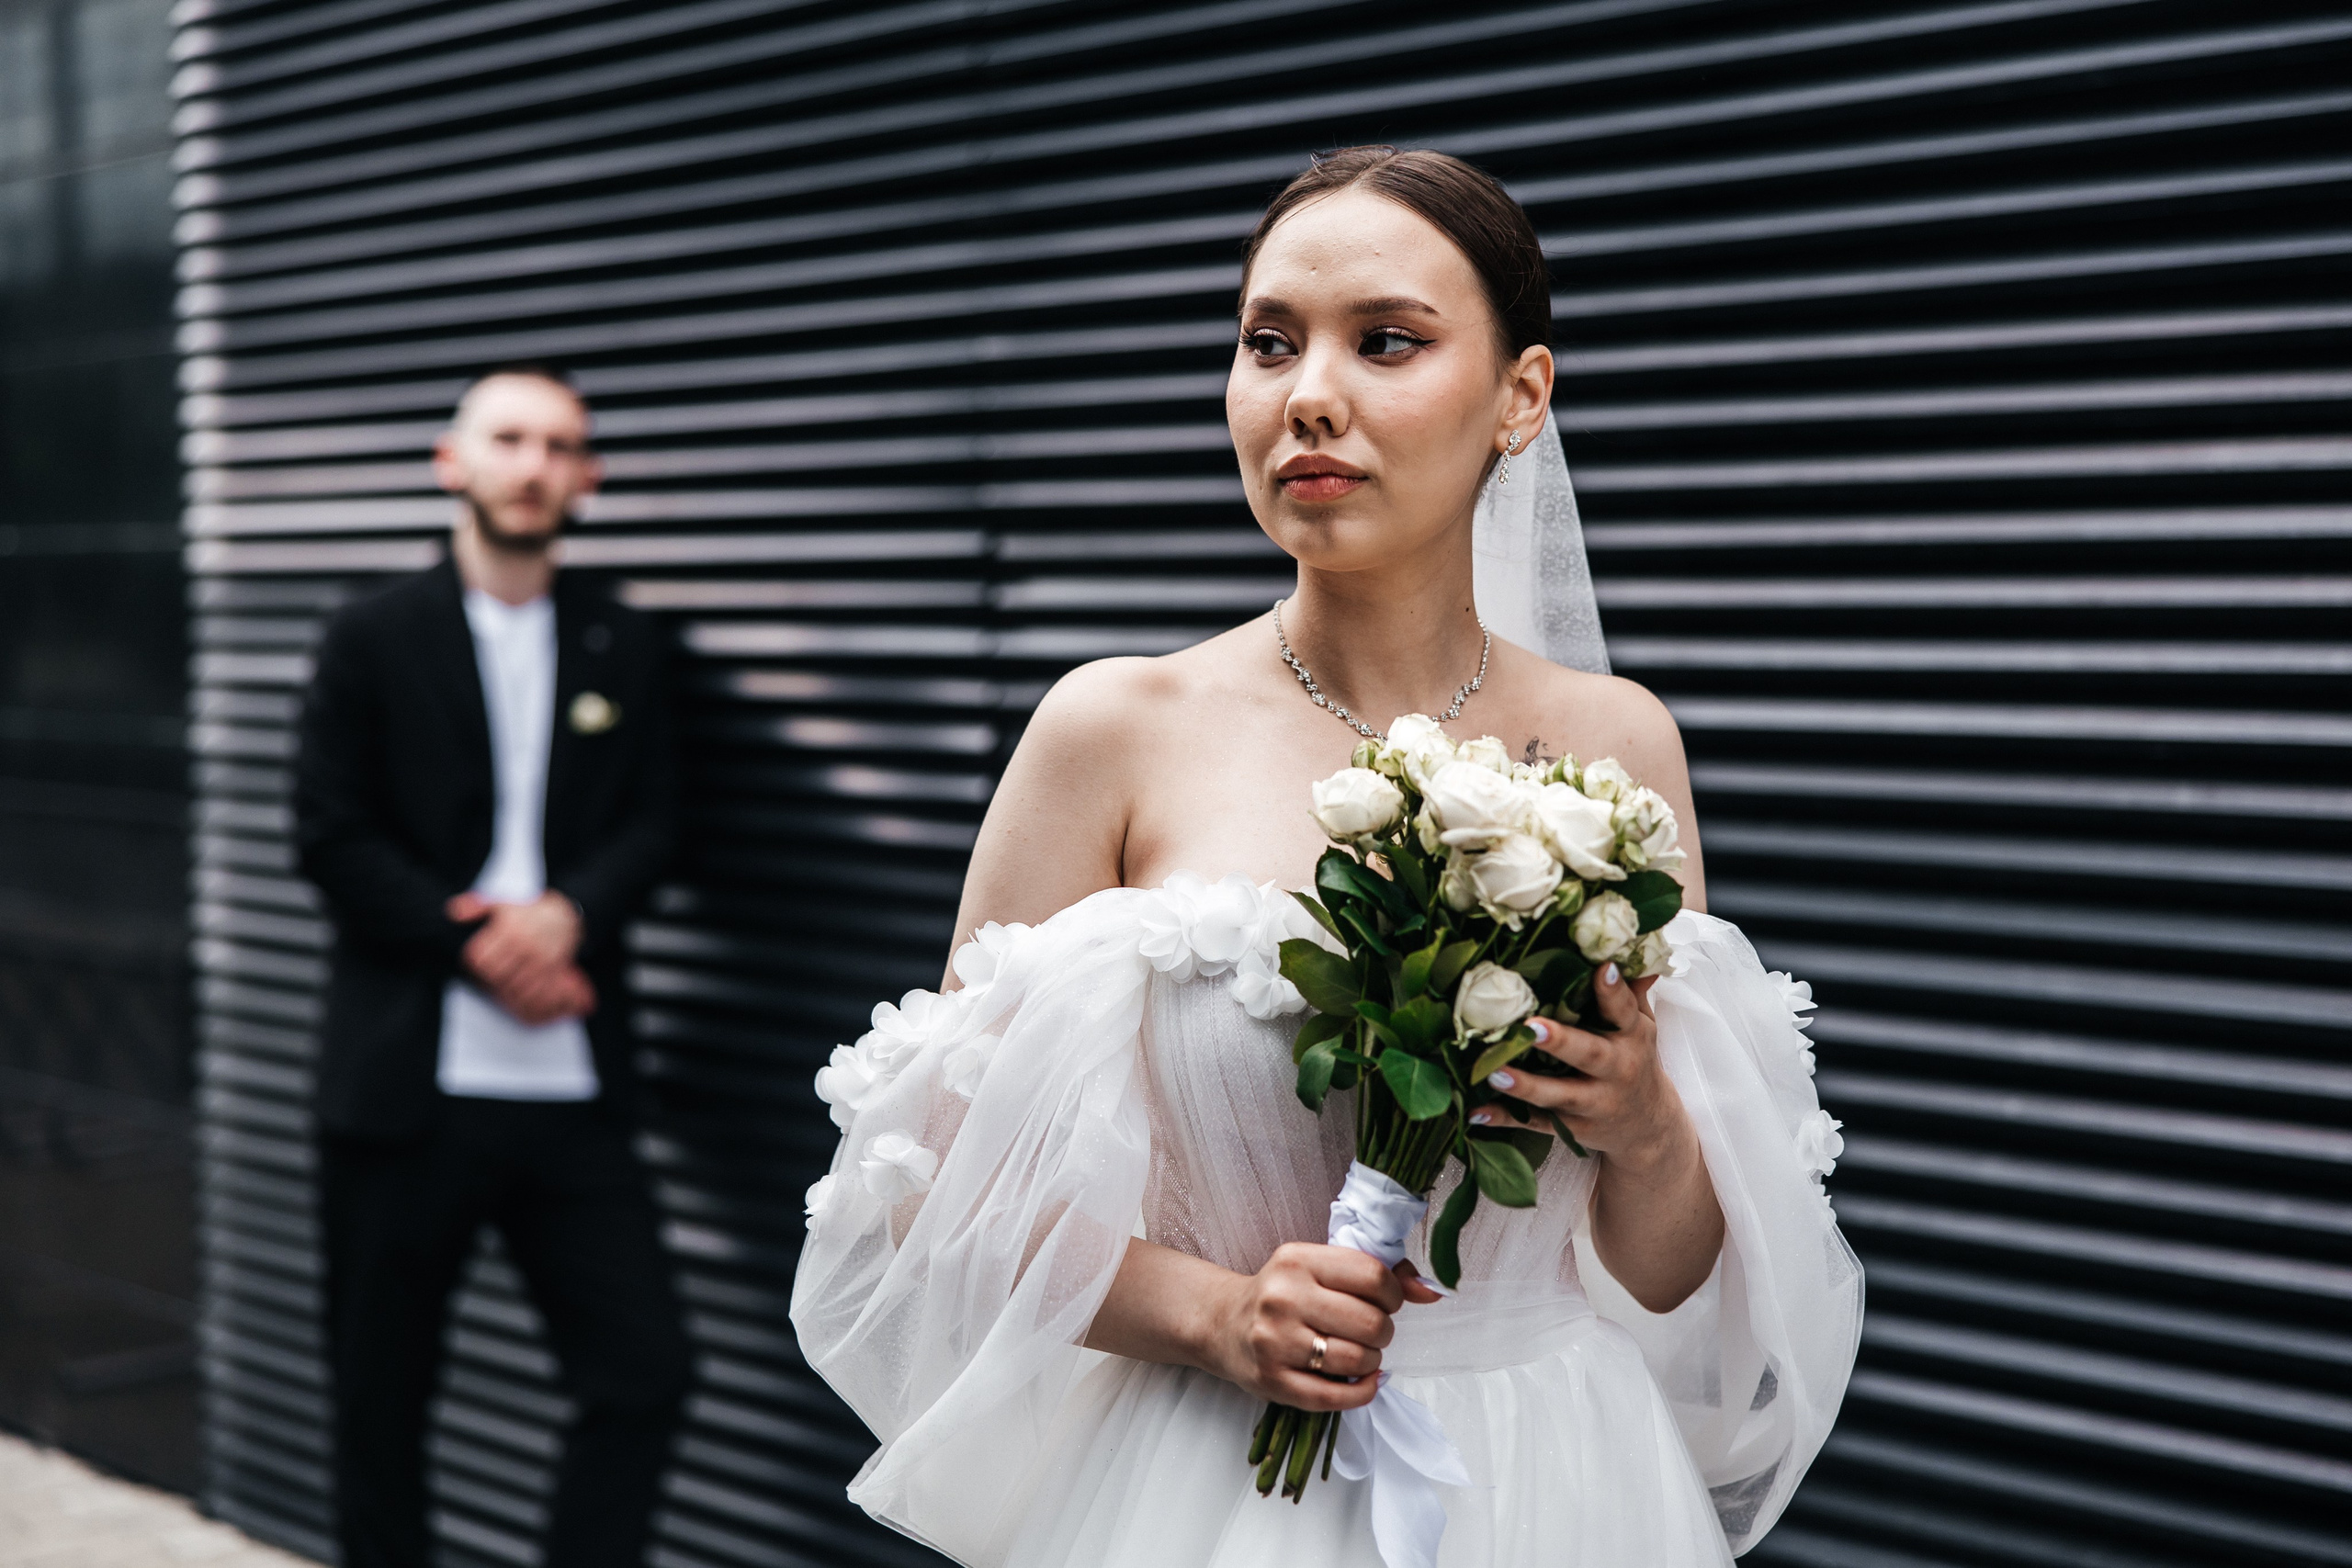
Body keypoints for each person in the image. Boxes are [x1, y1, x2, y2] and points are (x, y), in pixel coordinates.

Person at [792, 149, 1860, 1567]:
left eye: (1389, 342)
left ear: (1521, 397)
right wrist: (1217, 1315)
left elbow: (1659, 1274)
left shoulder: (1616, 745)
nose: (1308, 394)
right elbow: (932, 1185)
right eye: (1268, 342)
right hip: (1209, 1487)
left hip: (1555, 1485)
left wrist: (1643, 1119)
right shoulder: (1115, 726)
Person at [295, 367, 689, 1568]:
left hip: (569, 1094)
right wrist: (478, 941)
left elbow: (667, 820)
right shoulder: (370, 635)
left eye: (560, 445)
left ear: (589, 478)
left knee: (646, 1375)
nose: (534, 464)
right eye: (509, 439)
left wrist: (566, 915)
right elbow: (327, 833)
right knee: (382, 1407)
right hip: (404, 1092)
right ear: (451, 462)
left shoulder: (628, 638)